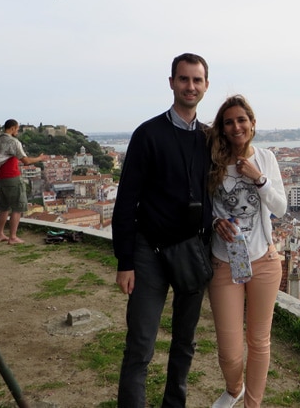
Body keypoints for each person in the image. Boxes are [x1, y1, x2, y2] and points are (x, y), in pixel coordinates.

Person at [112, 53, 213, 408]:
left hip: (192, 251)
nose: (190, 86)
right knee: (140, 343)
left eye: (196, 80)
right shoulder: (148, 134)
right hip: (149, 252)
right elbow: (126, 200)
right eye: (184, 79)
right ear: (171, 83)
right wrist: (125, 261)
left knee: (185, 343)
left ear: (205, 86)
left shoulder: (208, 139)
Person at [207, 95, 287, 408]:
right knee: (229, 349)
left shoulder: (266, 158)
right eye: (229, 121)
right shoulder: (213, 162)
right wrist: (215, 223)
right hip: (225, 263)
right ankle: (234, 387)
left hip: (264, 261)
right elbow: (205, 209)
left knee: (259, 342)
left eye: (242, 120)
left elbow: (280, 207)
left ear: (252, 124)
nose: (237, 126)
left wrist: (259, 179)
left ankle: (252, 404)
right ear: (223, 128)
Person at [0, 119, 45, 244]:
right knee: (17, 208)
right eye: (17, 129)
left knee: (3, 208)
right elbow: (26, 161)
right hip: (13, 178)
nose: (18, 131)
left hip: (1, 178)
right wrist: (40, 158)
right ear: (13, 128)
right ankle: (13, 237)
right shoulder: (14, 142)